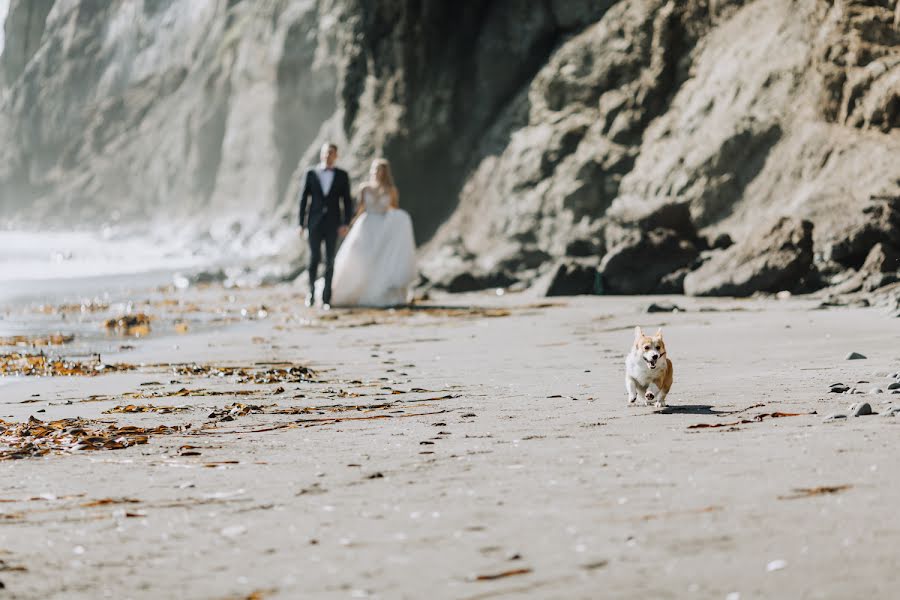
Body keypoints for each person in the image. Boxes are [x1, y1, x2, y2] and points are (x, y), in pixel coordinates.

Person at [330, 159, 416, 307]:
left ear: (385, 172)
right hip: (366, 226)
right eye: (375, 169)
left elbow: (395, 211)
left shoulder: (391, 190)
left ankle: (379, 292)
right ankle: (349, 292)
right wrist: (349, 225)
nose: (377, 172)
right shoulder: (364, 188)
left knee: (380, 261)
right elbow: (359, 209)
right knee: (358, 258)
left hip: (383, 228)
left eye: (380, 169)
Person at [298, 143, 353, 308]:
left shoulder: (342, 175)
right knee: (314, 258)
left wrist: (346, 223)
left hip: (333, 224)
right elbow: (303, 200)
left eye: (331, 153)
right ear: (321, 155)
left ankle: (327, 297)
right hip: (314, 223)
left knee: (330, 260)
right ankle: (311, 293)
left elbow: (347, 201)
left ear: (336, 156)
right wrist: (301, 224)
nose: (328, 156)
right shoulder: (310, 173)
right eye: (325, 153)